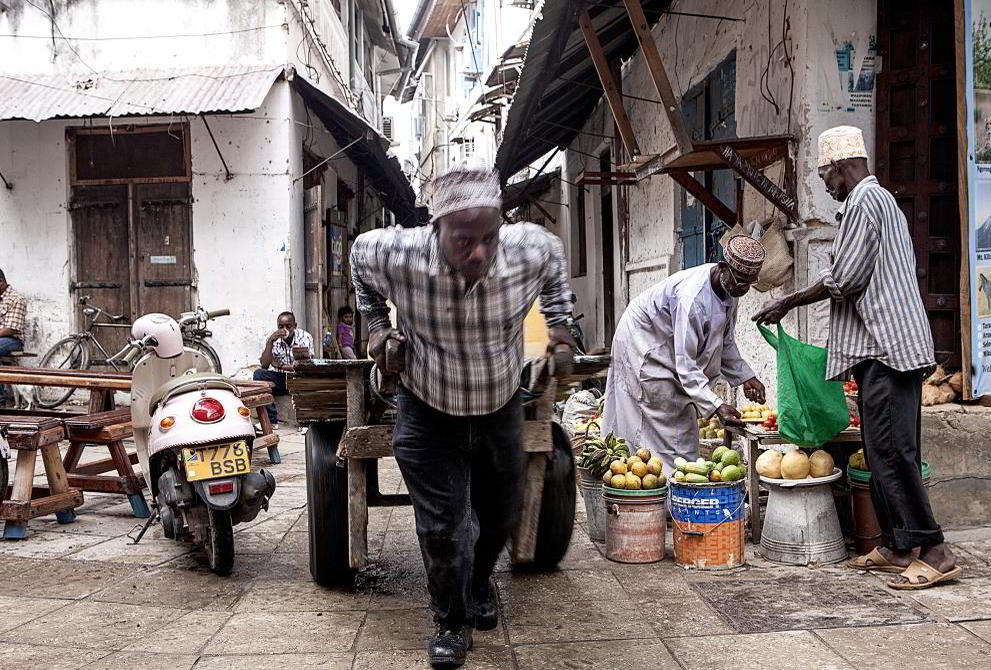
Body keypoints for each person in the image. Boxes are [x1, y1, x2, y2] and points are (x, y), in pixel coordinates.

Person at [351, 166, 573, 669]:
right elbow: (357, 265)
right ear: (436, 230)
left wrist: (561, 330)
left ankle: (476, 585)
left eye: (489, 238)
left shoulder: (531, 248)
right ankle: (450, 621)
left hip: (498, 406)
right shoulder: (395, 253)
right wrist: (378, 328)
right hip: (427, 408)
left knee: (499, 517)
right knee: (443, 527)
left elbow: (556, 276)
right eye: (464, 239)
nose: (478, 252)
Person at [753, 125, 959, 590]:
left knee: (894, 452)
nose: (826, 185)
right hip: (878, 351)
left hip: (888, 349)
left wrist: (787, 301)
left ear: (843, 167)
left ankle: (936, 551)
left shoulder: (866, 201)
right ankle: (896, 545)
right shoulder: (875, 202)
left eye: (826, 176)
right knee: (881, 452)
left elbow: (843, 277)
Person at [602, 236, 767, 466]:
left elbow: (724, 340)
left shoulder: (731, 290)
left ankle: (674, 483)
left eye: (749, 284)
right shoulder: (693, 299)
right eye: (740, 281)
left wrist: (746, 377)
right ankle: (665, 487)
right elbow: (686, 365)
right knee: (665, 414)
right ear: (722, 269)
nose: (743, 289)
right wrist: (716, 405)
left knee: (681, 425)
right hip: (644, 342)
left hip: (668, 347)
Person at [253, 311, 313, 425]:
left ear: (295, 326)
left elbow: (305, 367)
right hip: (281, 379)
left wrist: (281, 366)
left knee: (309, 379)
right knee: (259, 374)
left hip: (298, 378)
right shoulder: (274, 339)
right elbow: (264, 365)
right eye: (281, 326)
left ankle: (304, 423)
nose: (284, 329)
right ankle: (271, 421)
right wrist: (270, 342)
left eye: (288, 326)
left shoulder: (305, 337)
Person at [0, 268, 27, 406]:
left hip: (12, 340)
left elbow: (11, 329)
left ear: (1, 283)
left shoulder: (16, 299)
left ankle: (1, 399)